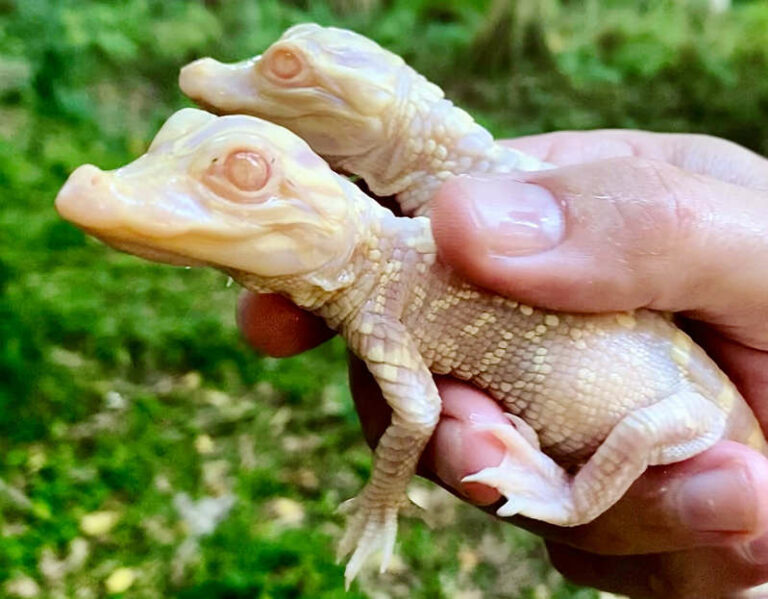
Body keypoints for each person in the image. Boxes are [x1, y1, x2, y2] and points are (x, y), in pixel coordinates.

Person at [237, 130, 768, 598]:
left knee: (642, 445)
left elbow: (419, 413)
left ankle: (574, 502)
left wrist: (381, 496)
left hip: (682, 413)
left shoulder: (395, 274)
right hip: (672, 396)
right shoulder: (395, 264)